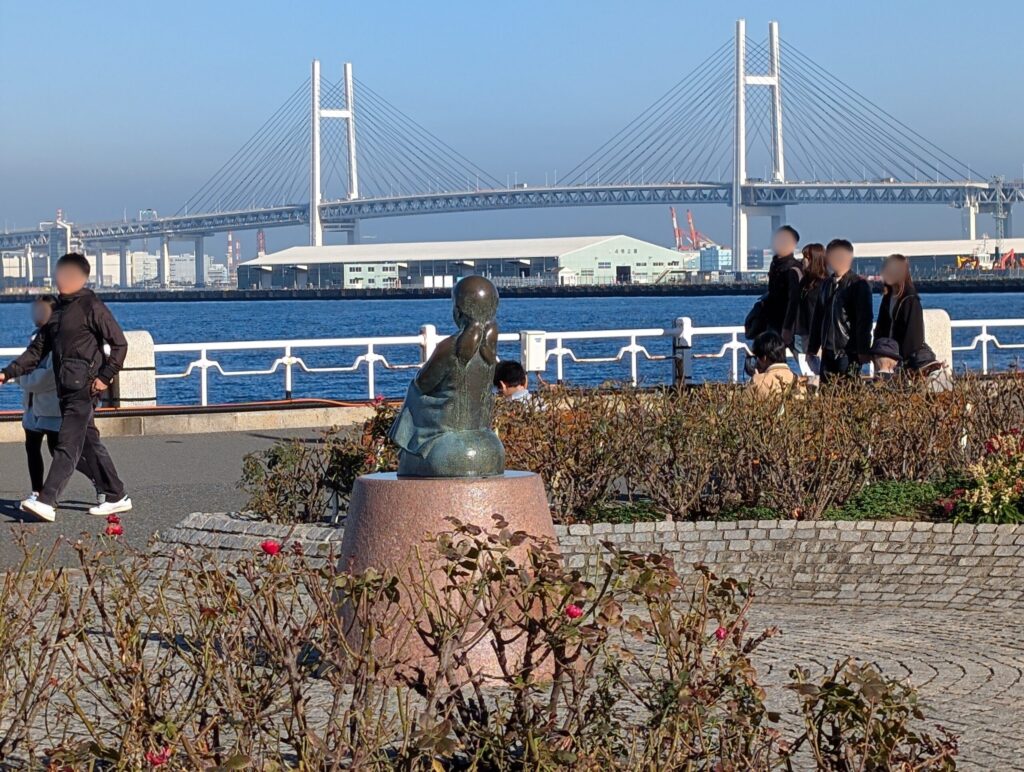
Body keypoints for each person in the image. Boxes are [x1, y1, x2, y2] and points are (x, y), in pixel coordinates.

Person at [0, 253, 132, 522]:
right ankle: (117, 495)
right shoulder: (58, 311)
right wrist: (7, 372)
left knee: (67, 445)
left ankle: (47, 500)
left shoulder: (91, 306)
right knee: (88, 444)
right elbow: (37, 351)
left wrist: (105, 377)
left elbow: (120, 343)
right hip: (65, 388)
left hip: (85, 387)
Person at [808, 239, 873, 383]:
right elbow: (818, 318)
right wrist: (812, 348)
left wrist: (862, 350)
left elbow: (864, 320)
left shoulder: (858, 285)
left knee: (847, 392)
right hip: (827, 351)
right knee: (826, 394)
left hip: (847, 352)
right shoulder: (826, 285)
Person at [874, 253, 925, 364]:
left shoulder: (910, 300)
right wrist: (876, 350)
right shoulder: (887, 297)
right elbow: (880, 327)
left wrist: (904, 360)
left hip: (902, 358)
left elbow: (914, 336)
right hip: (885, 355)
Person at [763, 225, 803, 348]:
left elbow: (793, 300)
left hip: (786, 324)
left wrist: (787, 327)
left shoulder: (793, 268)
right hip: (773, 320)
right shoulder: (775, 264)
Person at [794, 242, 827, 376]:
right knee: (806, 365)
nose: (803, 260)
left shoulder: (823, 284)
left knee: (815, 368)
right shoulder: (805, 282)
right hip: (801, 331)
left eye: (806, 257)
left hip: (814, 334)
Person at [747, 330, 800, 397]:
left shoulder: (758, 382)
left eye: (757, 358)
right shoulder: (799, 381)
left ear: (764, 358)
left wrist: (756, 380)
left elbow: (744, 403)